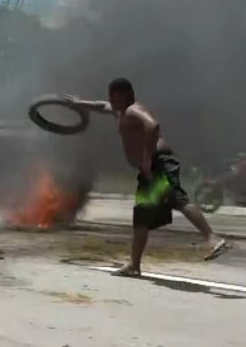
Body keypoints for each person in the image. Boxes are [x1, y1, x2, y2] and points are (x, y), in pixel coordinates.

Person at [67, 78, 227, 276]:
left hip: (158, 163)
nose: (110, 99)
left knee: (178, 200)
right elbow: (101, 106)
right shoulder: (122, 111)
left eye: (113, 95)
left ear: (124, 95)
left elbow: (152, 125)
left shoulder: (134, 110)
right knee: (141, 215)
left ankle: (212, 238)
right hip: (150, 168)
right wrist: (79, 103)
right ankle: (134, 265)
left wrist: (146, 159)